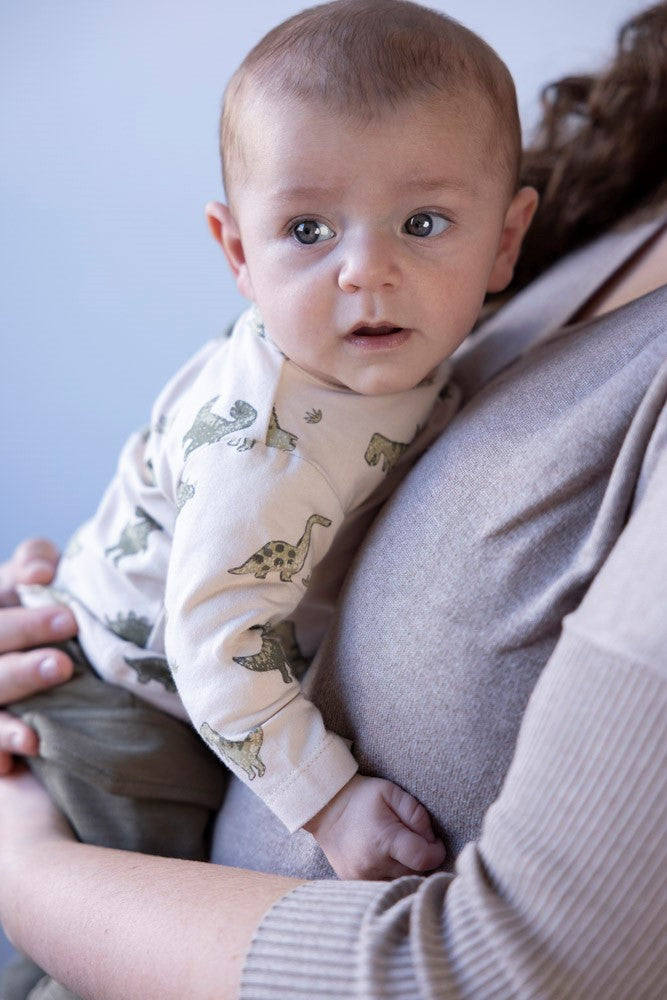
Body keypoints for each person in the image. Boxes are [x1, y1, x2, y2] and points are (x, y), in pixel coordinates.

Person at [0, 1, 666, 998]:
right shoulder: (267, 442)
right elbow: (215, 643)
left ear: (504, 240)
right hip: (125, 721)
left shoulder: (378, 361)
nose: (366, 270)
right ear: (237, 251)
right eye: (307, 230)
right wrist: (329, 806)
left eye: (422, 225)